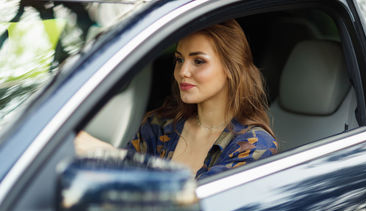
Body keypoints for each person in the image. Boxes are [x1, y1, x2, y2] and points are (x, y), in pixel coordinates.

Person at [75, 19, 277, 180]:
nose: (182, 72)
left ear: (230, 70)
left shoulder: (254, 145)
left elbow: (200, 204)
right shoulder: (161, 125)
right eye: (179, 60)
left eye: (198, 61)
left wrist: (110, 154)